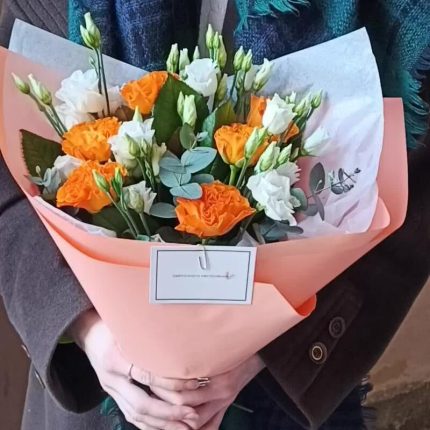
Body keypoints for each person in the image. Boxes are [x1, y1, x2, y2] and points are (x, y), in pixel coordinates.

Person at [1, 0, 430, 429]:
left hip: (286, 380)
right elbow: (9, 169)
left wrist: (269, 345)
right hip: (104, 384)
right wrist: (90, 330)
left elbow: (408, 196)